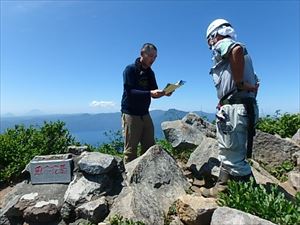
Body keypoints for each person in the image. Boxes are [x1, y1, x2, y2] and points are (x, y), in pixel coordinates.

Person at [201, 19, 260, 197]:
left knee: (233, 156)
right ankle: (223, 187)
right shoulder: (245, 59)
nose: (209, 44)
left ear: (214, 35)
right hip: (242, 105)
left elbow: (236, 50)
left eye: (208, 39)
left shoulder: (224, 44)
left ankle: (253, 198)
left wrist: (240, 83)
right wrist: (227, 98)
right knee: (229, 151)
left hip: (235, 110)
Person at [121, 43, 171, 163]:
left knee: (149, 146)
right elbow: (130, 91)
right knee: (130, 150)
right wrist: (150, 93)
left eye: (155, 57)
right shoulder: (130, 69)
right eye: (151, 56)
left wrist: (164, 93)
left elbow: (154, 93)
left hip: (145, 113)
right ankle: (128, 177)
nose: (153, 59)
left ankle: (145, 175)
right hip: (131, 114)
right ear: (142, 54)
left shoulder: (150, 73)